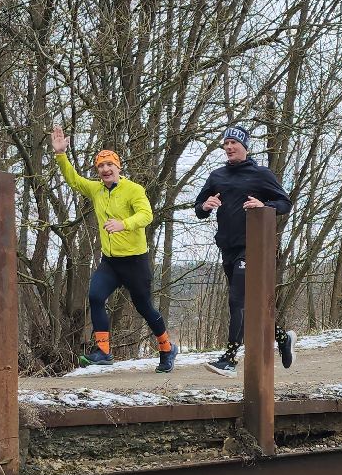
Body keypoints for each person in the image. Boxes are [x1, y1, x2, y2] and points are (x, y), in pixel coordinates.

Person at [48, 127, 177, 372]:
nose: (105, 169)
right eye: (100, 166)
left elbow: (146, 215)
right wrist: (60, 155)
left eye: (109, 165)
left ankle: (167, 348)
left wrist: (124, 224)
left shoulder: (133, 190)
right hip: (110, 262)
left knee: (144, 308)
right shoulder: (96, 190)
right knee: (95, 296)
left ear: (118, 168)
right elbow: (74, 180)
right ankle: (104, 351)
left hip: (135, 262)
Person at [192, 124, 293, 376]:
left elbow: (284, 203)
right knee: (249, 303)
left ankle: (229, 359)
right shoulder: (217, 176)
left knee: (238, 300)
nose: (228, 147)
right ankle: (282, 338)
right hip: (227, 246)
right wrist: (206, 205)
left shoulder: (261, 174)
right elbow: (198, 209)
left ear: (245, 147)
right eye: (225, 144)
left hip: (253, 247)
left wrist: (264, 204)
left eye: (233, 143)